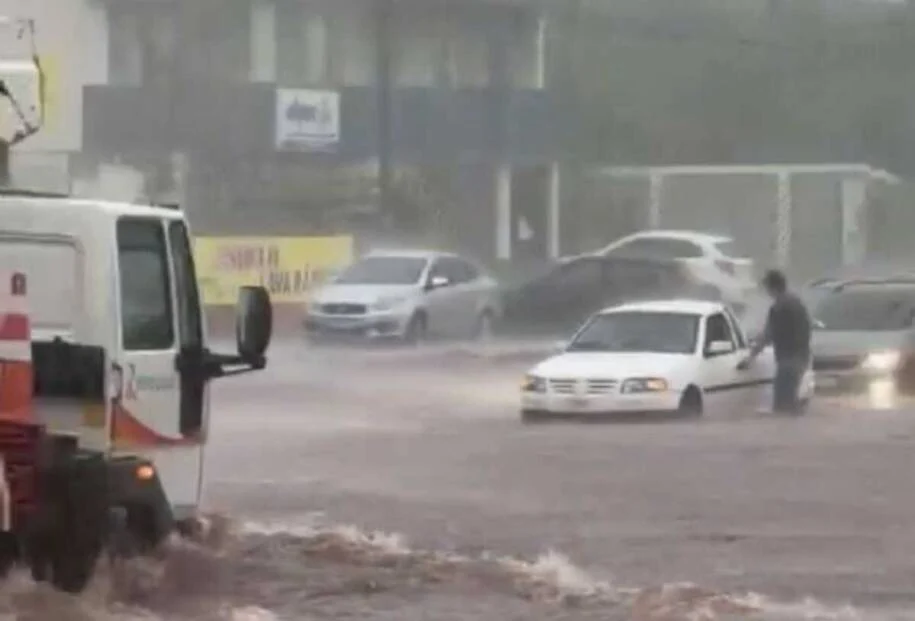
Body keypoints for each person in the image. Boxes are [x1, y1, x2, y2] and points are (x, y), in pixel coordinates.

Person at [737, 269, 811, 414]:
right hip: (801, 358)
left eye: (766, 288)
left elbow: (767, 335)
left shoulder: (779, 307)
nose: (766, 292)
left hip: (788, 361)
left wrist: (750, 357)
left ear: (772, 287)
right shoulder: (797, 303)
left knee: (782, 406)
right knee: (789, 402)